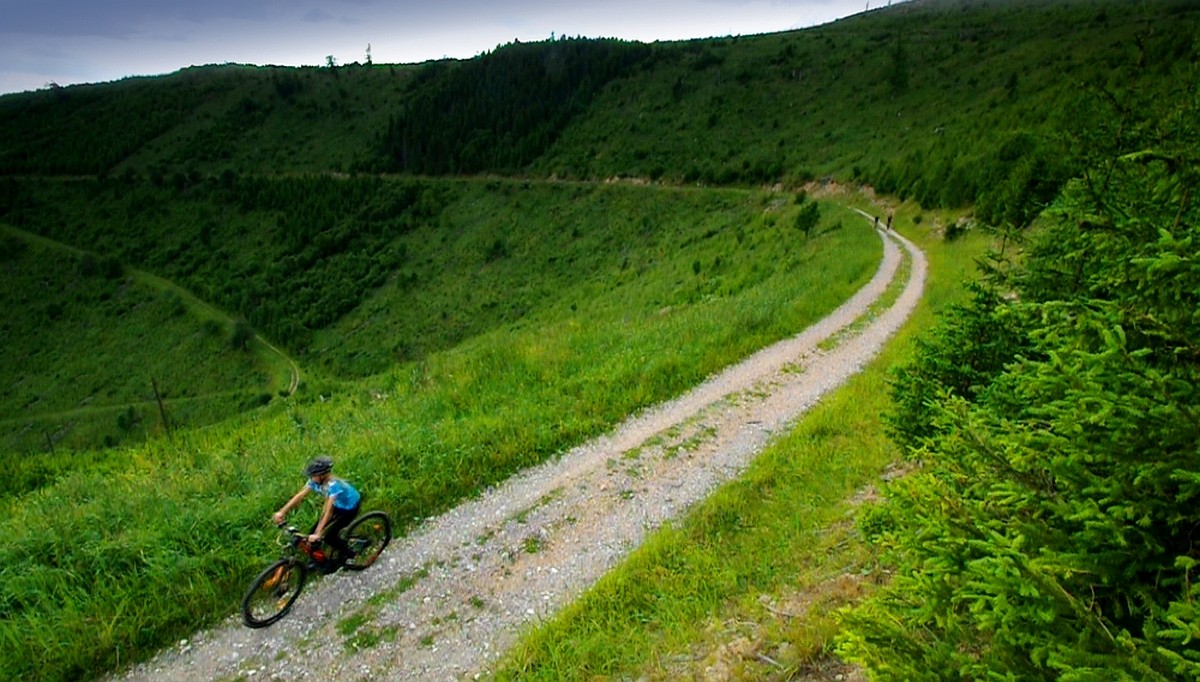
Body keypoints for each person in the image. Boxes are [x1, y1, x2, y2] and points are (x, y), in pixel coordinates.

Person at [274, 456, 361, 572]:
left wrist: (319, 533)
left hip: (349, 509)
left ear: (322, 475)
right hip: (338, 506)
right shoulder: (315, 481)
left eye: (313, 475)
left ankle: (351, 554)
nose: (311, 478)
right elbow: (300, 495)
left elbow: (329, 510)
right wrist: (282, 512)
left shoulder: (334, 485)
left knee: (329, 536)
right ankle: (320, 560)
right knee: (311, 534)